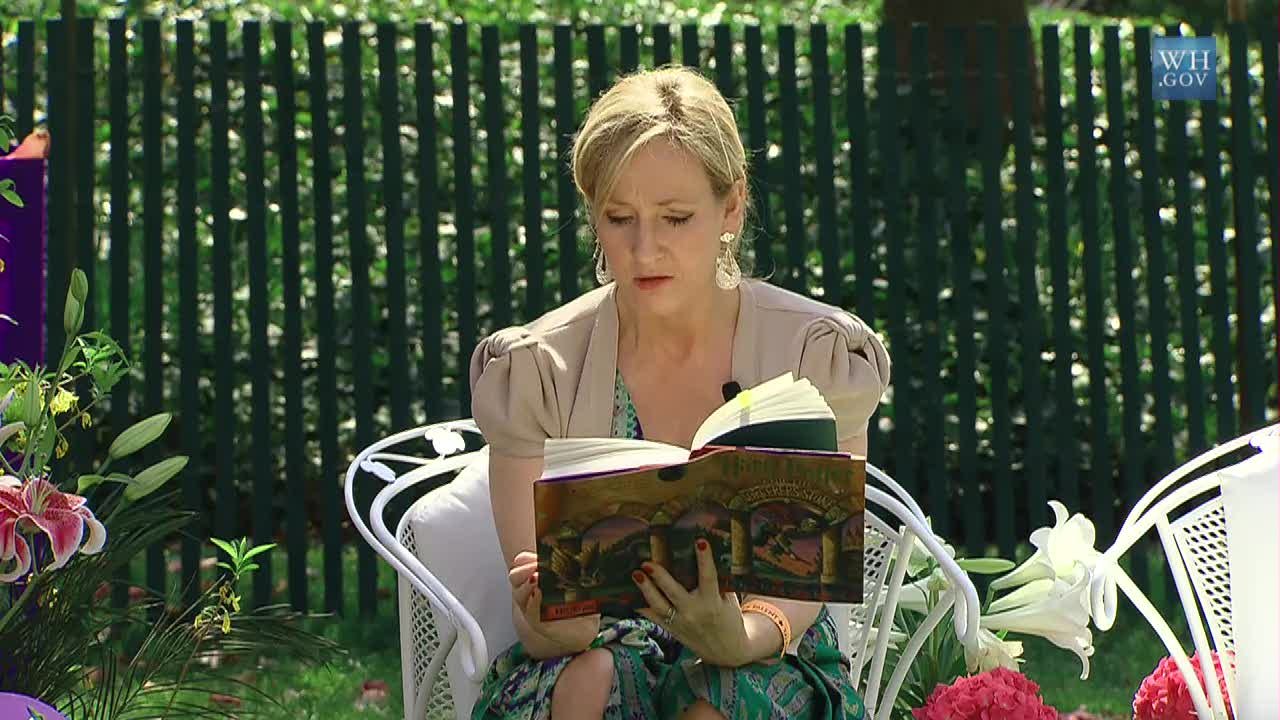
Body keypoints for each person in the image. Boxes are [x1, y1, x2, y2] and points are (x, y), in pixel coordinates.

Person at [468, 65, 891, 720]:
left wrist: (741, 635)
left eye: (675, 218)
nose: (645, 249)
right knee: (590, 677)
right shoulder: (536, 369)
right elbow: (546, 625)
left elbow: (809, 574)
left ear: (732, 207)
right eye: (619, 218)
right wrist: (559, 623)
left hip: (766, 646)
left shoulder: (818, 354)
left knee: (721, 698)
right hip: (597, 650)